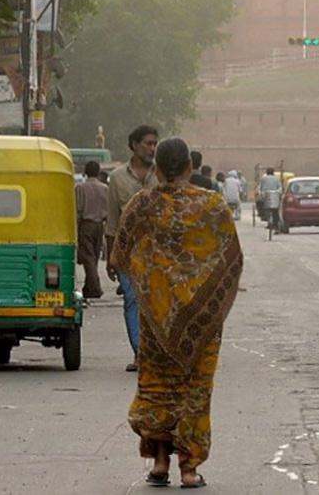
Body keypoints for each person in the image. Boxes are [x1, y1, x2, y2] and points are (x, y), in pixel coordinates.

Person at [111, 137, 243, 489]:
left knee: (157, 389)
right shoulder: (213, 205)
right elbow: (231, 258)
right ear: (189, 167)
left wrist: (149, 278)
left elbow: (119, 255)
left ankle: (159, 462)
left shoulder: (141, 204)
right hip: (201, 320)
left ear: (156, 168)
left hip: (155, 318)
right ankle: (189, 469)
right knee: (195, 391)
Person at [107, 125, 159, 372]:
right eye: (147, 143)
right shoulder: (117, 178)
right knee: (131, 300)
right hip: (128, 253)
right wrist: (111, 255)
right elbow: (112, 222)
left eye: (154, 144)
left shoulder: (162, 175)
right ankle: (140, 354)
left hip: (158, 254)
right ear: (134, 145)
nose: (151, 148)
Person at [75, 160, 108, 299]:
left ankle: (95, 288)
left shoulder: (80, 188)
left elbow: (77, 209)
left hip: (86, 225)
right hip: (100, 225)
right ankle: (89, 288)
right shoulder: (105, 188)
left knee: (88, 258)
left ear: (85, 172)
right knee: (93, 257)